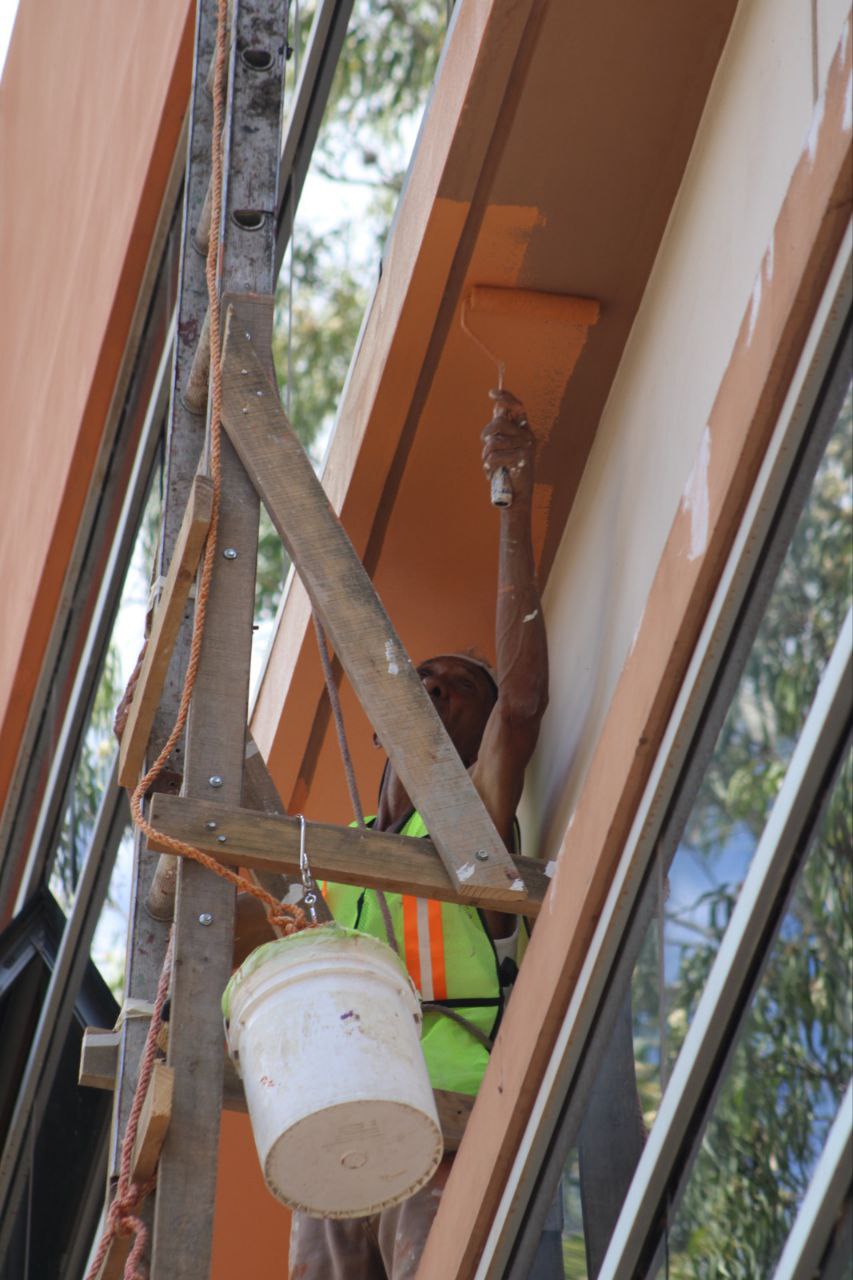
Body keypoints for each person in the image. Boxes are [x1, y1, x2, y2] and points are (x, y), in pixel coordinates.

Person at [287, 389, 549, 1280]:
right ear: (380, 730)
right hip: (342, 1130)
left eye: (457, 689)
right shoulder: (339, 853)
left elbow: (522, 705)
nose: (433, 689)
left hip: (446, 1119)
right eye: (421, 681)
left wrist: (512, 501)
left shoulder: (472, 823)